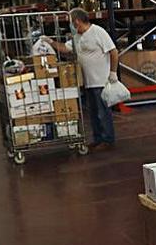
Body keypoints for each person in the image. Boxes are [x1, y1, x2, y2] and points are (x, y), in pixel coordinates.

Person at [44, 8, 119, 150]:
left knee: (103, 112)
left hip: (101, 80)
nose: (70, 25)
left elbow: (114, 52)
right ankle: (98, 138)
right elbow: (65, 48)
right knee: (93, 113)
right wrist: (50, 42)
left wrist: (113, 72)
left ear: (77, 21)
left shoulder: (98, 32)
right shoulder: (77, 37)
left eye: (71, 22)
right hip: (87, 82)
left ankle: (108, 140)